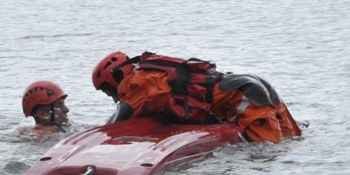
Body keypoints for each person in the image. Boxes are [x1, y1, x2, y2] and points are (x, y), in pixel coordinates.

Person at [91, 51, 302, 143]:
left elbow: (119, 119)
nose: (114, 98)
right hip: (252, 85)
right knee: (291, 142)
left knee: (269, 152)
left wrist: (95, 137)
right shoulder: (150, 71)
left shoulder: (136, 81)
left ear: (117, 76)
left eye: (109, 91)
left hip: (243, 96)